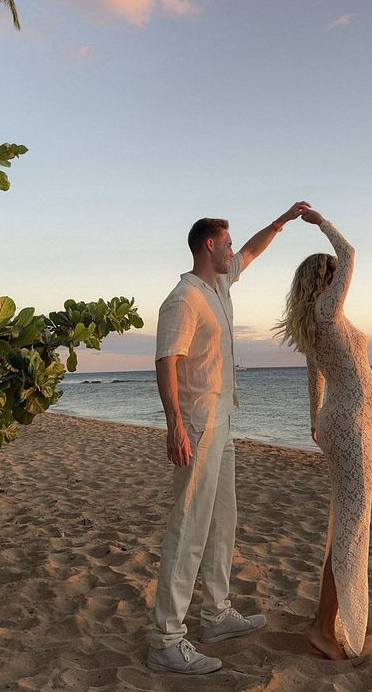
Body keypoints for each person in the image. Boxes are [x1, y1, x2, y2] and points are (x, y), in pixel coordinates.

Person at [147, 202, 310, 675]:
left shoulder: (217, 283)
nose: (235, 251)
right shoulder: (184, 297)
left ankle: (216, 614)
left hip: (221, 418)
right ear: (210, 245)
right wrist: (174, 423)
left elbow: (255, 251)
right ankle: (166, 638)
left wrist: (282, 221)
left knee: (223, 521)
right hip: (196, 422)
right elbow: (166, 362)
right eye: (229, 243)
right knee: (189, 527)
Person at [274, 208, 372, 660]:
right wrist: (321, 222)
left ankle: (327, 620)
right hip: (352, 425)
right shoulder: (326, 309)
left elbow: (314, 375)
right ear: (326, 277)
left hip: (341, 422)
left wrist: (314, 418)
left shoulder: (314, 322)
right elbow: (351, 252)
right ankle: (323, 628)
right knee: (353, 528)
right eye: (336, 274)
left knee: (346, 522)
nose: (342, 278)